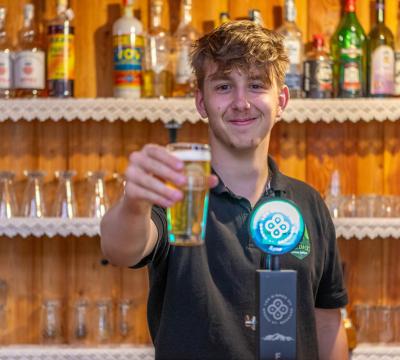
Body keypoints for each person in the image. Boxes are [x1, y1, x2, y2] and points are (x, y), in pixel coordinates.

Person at [100, 20, 349, 360]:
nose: (241, 102)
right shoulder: (177, 195)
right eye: (223, 87)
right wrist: (134, 202)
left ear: (282, 100)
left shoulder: (308, 203)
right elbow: (120, 250)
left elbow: (327, 322)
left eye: (257, 85)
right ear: (201, 102)